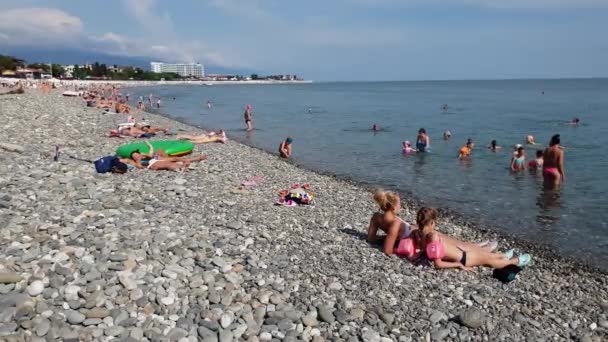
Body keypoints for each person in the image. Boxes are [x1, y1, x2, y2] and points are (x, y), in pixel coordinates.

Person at [368, 191, 499, 256]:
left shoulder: (376, 217)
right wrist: (393, 243)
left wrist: (386, 238)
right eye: (399, 204)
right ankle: (482, 250)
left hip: (412, 231)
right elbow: (388, 250)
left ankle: (474, 246)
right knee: (447, 242)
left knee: (450, 240)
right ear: (392, 207)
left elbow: (371, 238)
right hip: (416, 237)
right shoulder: (395, 223)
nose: (400, 207)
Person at [412, 207, 531, 270]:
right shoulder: (433, 236)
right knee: (492, 261)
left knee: (491, 256)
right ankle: (515, 261)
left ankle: (504, 255)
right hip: (464, 258)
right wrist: (458, 265)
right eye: (435, 222)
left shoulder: (418, 233)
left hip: (464, 254)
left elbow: (426, 250)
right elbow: (438, 264)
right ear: (432, 222)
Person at [126, 141, 206, 171]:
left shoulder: (143, 156)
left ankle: (196, 158)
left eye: (137, 154)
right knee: (167, 164)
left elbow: (151, 153)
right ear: (133, 157)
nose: (136, 155)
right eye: (134, 155)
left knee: (175, 158)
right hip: (151, 163)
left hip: (154, 159)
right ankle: (181, 166)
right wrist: (138, 160)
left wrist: (149, 145)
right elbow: (140, 166)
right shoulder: (135, 162)